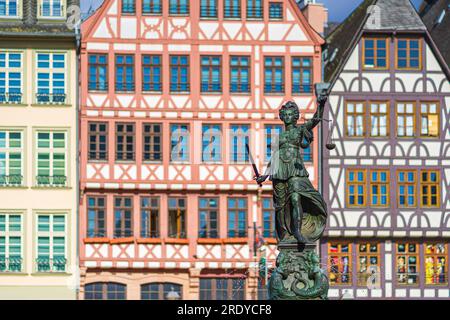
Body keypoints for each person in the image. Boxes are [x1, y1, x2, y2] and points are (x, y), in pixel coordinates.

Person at [256, 99, 327, 244]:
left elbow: (315, 120)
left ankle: (297, 231)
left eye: (290, 114)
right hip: (279, 171)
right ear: (282, 117)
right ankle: (284, 235)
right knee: (280, 206)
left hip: (295, 168)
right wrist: (264, 176)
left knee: (296, 197)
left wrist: (322, 104)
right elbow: (274, 158)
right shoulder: (279, 137)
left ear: (295, 116)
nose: (288, 117)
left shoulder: (300, 130)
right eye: (285, 114)